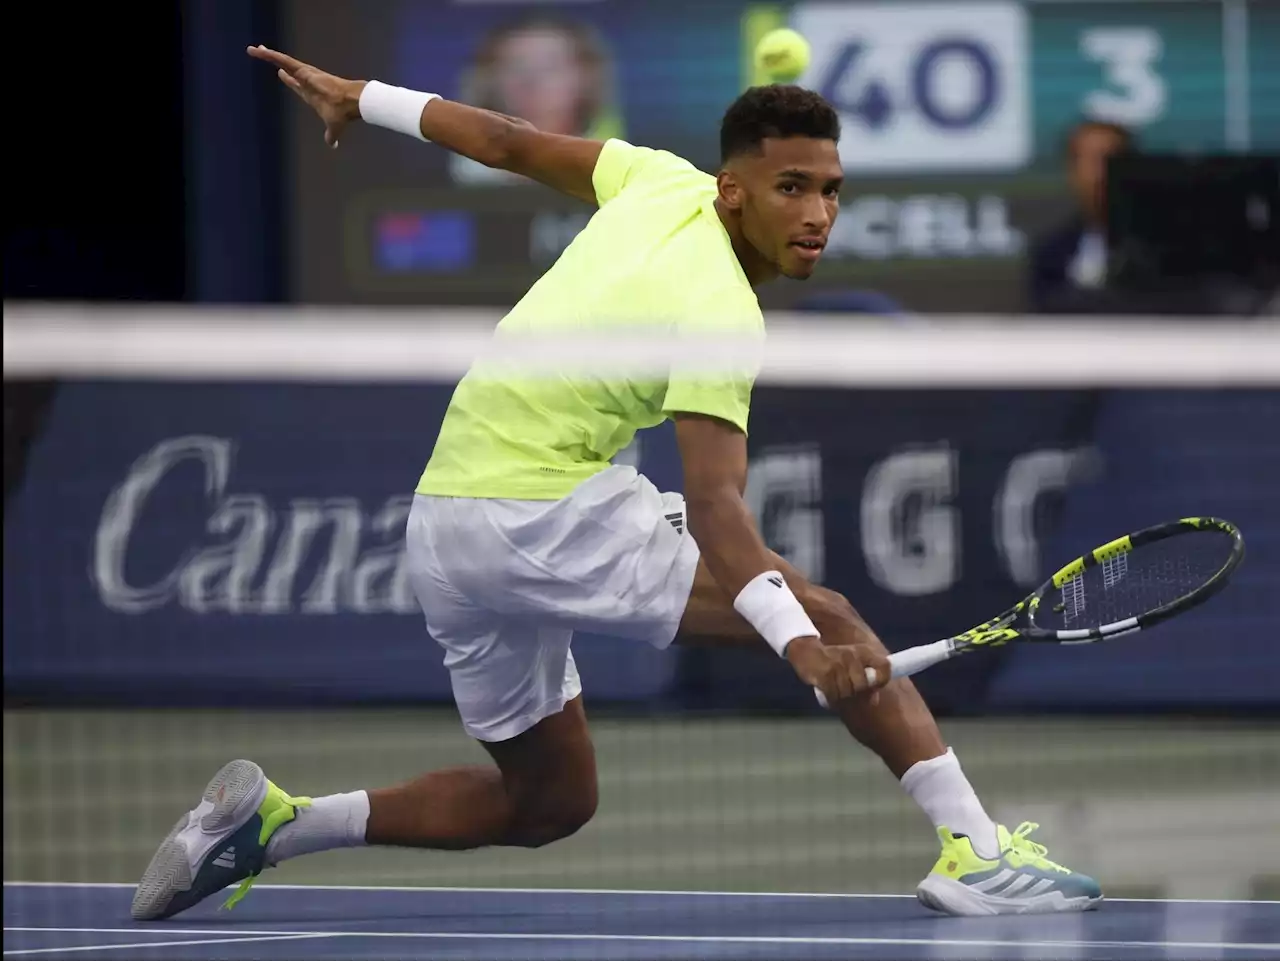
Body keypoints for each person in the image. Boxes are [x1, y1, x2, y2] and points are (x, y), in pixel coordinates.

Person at [130, 44, 1103, 922]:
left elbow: (506, 141)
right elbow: (719, 509)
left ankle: (274, 826)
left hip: (447, 525)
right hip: (533, 513)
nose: (815, 216)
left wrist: (363, 95)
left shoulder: (648, 178)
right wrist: (801, 649)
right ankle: (974, 850)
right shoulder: (719, 312)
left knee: (547, 800)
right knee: (834, 618)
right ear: (733, 191)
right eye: (790, 188)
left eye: (830, 191)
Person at [1027, 119, 1134, 314]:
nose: (1102, 173)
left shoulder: (1167, 251)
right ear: (1072, 172)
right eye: (1092, 160)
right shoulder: (1050, 255)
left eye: (1111, 160)